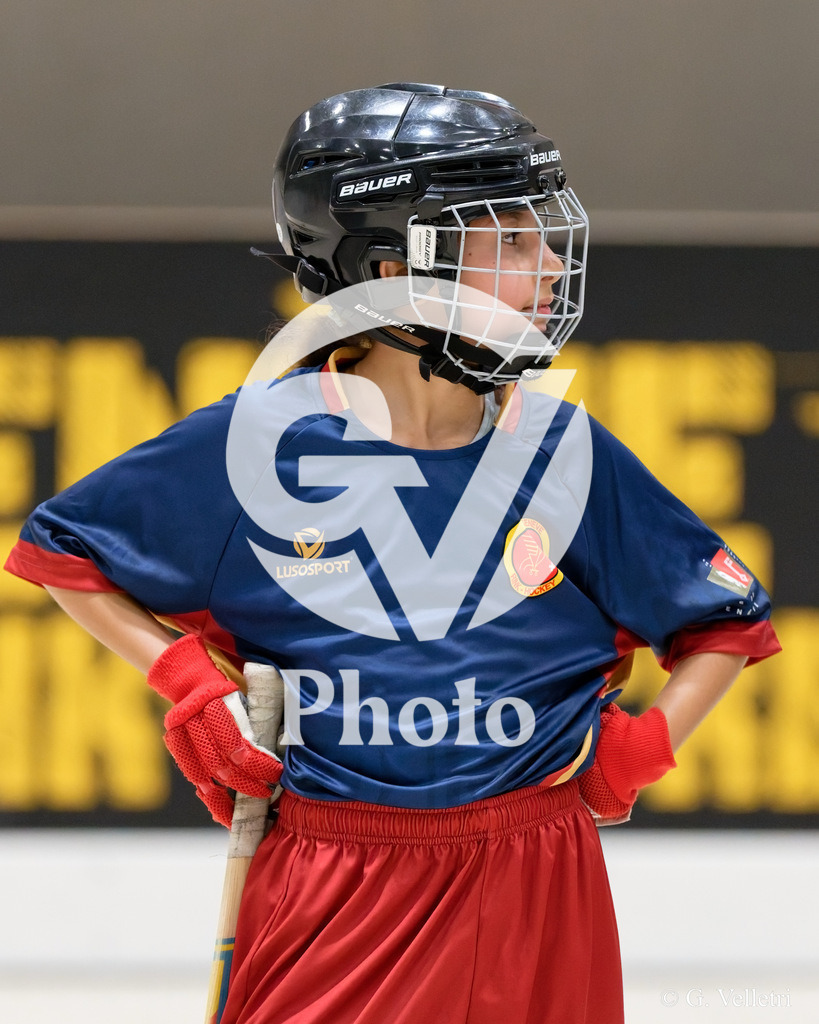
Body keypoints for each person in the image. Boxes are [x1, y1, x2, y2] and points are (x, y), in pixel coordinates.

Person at [5, 84, 780, 1024]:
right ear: (391, 269)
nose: (548, 268)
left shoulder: (563, 453)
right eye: (510, 243)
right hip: (335, 882)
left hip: (539, 876)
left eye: (543, 237)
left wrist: (646, 746)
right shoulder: (256, 444)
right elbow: (64, 553)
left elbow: (722, 620)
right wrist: (188, 686)